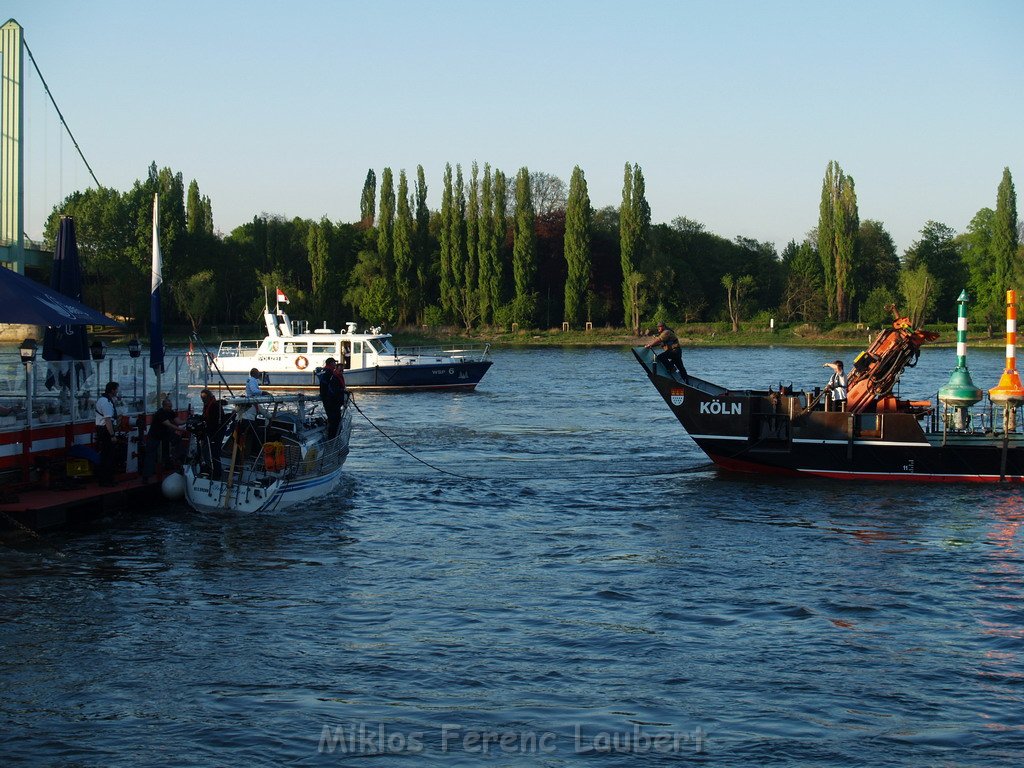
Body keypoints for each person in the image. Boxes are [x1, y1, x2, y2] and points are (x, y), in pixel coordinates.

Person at [142, 397, 187, 480]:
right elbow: (169, 424)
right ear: (164, 406)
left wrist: (187, 420)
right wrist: (181, 429)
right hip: (154, 435)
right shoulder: (160, 413)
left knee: (172, 447)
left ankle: (169, 465)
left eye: (171, 406)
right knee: (150, 455)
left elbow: (178, 421)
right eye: (169, 407)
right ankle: (147, 476)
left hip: (164, 435)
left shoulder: (170, 412)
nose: (171, 408)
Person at [94, 381, 120, 486]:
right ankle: (107, 480)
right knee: (109, 456)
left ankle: (104, 479)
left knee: (105, 455)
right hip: (105, 430)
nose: (117, 391)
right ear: (112, 390)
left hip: (101, 429)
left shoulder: (102, 400)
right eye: (117, 389)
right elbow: (108, 420)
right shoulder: (106, 402)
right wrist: (112, 435)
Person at [318, 357, 347, 439]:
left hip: (328, 399)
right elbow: (331, 387)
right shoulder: (330, 373)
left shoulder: (324, 372)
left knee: (334, 420)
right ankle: (332, 439)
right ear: (331, 363)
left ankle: (333, 437)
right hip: (331, 400)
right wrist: (341, 391)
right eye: (334, 363)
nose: (335, 365)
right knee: (335, 421)